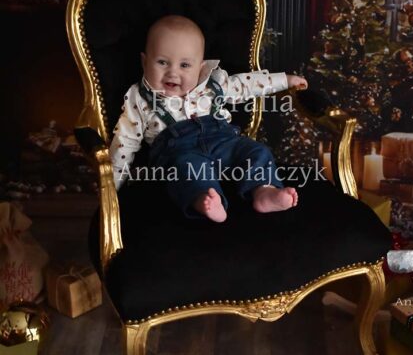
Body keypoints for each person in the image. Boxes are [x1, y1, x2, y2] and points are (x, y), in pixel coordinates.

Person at [109, 15, 307, 222]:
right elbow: (125, 141)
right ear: (144, 62)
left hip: (224, 143)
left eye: (185, 65)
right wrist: (112, 185)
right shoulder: (140, 97)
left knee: (257, 151)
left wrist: (285, 80)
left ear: (200, 67)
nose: (172, 73)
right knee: (186, 169)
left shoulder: (213, 84)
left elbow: (248, 85)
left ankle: (263, 191)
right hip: (180, 151)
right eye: (162, 62)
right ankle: (205, 199)